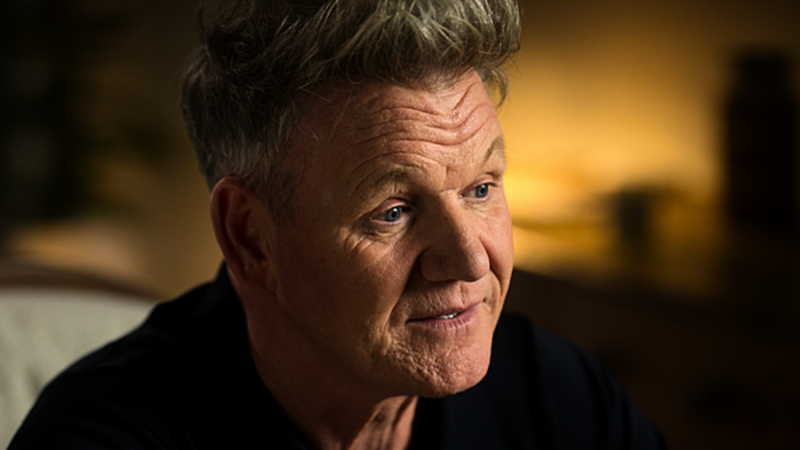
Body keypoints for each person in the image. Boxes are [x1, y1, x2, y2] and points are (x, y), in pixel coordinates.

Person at [10, 0, 666, 449]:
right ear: (250, 238)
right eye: (393, 212)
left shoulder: (557, 396)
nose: (470, 260)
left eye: (480, 189)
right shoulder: (101, 438)